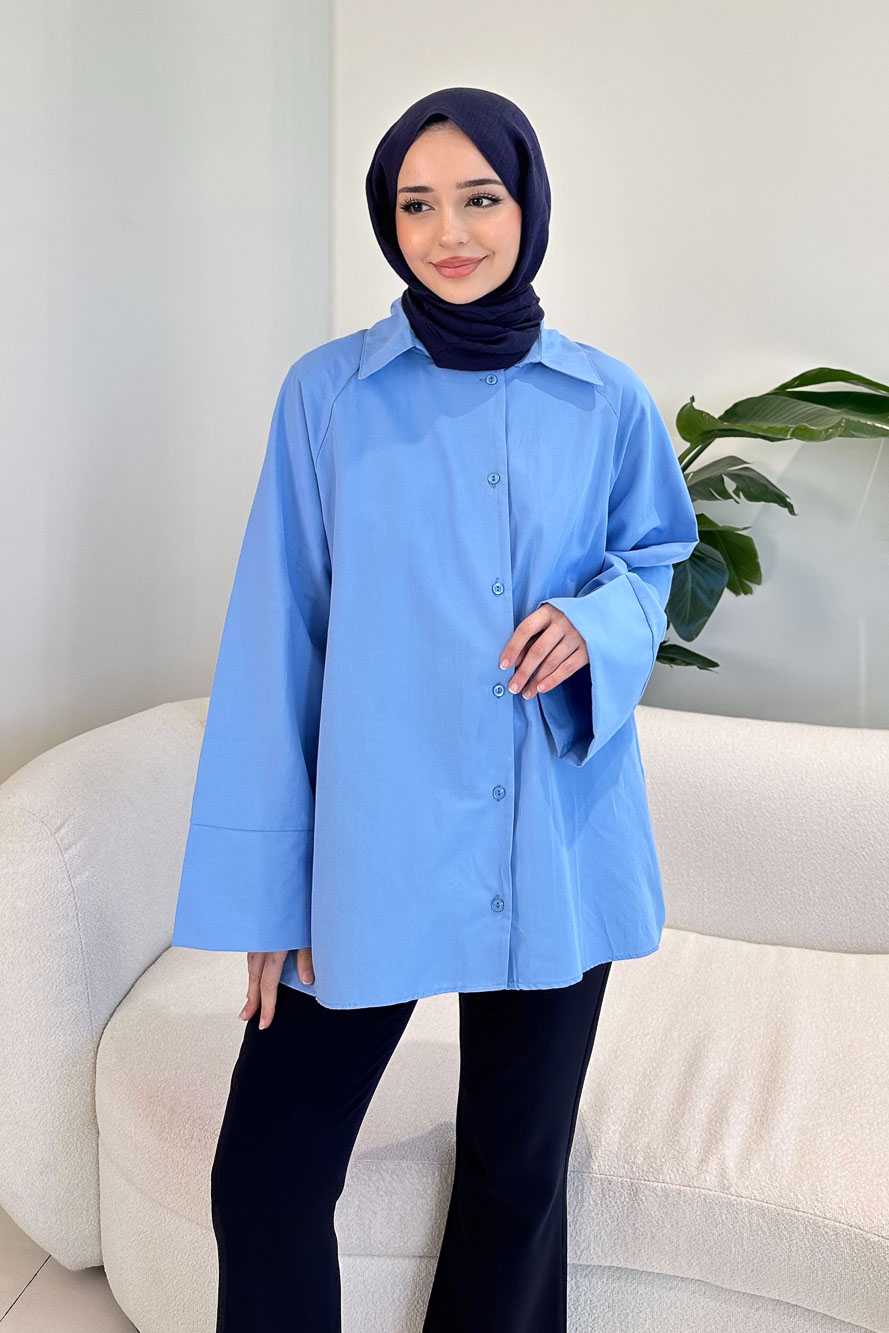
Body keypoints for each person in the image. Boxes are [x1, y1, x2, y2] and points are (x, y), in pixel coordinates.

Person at [171, 86, 700, 1332]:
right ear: (386, 219)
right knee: (265, 1179)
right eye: (416, 205)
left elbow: (654, 559)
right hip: (374, 847)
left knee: (516, 1184)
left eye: (478, 198)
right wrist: (272, 895)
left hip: (550, 838)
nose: (447, 233)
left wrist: (595, 626)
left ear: (528, 206)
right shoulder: (329, 398)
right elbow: (276, 643)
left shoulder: (604, 399)